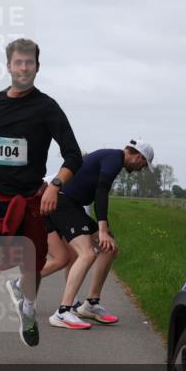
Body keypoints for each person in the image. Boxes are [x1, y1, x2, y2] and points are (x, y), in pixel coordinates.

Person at [0, 38, 83, 371]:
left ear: (37, 67)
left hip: (31, 197)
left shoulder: (47, 107)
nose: (24, 68)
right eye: (19, 62)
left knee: (31, 268)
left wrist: (55, 186)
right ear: (9, 66)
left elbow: (73, 155)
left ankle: (28, 308)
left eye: (30, 63)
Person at [25, 140, 153, 329]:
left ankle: (91, 304)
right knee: (87, 253)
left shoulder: (112, 158)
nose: (141, 169)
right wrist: (102, 229)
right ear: (139, 157)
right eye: (144, 164)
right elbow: (101, 191)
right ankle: (63, 312)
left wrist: (105, 232)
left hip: (72, 205)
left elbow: (100, 192)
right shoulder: (115, 158)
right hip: (63, 202)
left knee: (109, 248)